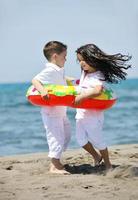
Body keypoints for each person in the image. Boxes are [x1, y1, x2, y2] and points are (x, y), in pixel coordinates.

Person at [74, 43, 131, 170]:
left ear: (93, 58)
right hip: (81, 114)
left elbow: (97, 90)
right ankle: (96, 156)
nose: (82, 63)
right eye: (79, 61)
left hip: (93, 117)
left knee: (98, 141)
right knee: (80, 140)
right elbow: (79, 84)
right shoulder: (85, 73)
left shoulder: (98, 75)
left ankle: (108, 164)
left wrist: (82, 97)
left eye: (84, 60)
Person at [32, 41, 71, 174]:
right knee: (56, 137)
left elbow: (61, 79)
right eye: (64, 56)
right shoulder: (49, 70)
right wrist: (42, 91)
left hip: (61, 110)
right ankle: (54, 166)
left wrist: (72, 80)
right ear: (55, 56)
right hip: (52, 112)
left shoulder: (58, 70)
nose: (66, 58)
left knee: (66, 135)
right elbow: (35, 80)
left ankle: (57, 161)